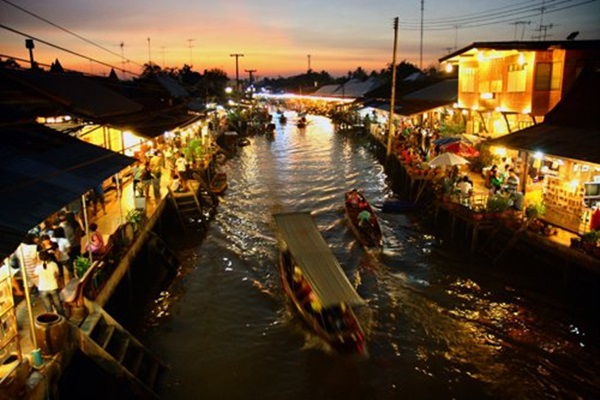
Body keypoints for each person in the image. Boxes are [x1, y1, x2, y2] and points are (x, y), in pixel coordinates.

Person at [35, 251, 65, 316]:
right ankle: (62, 318)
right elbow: (57, 274)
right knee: (58, 305)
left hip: (42, 288)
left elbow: (35, 274)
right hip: (53, 286)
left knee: (48, 307)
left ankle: (52, 320)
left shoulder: (38, 267)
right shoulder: (53, 265)